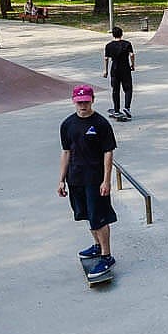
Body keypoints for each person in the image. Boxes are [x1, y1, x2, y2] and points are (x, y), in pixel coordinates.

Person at [58, 84, 118, 279]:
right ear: (73, 101)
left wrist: (106, 180)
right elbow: (66, 152)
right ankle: (97, 245)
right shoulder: (67, 125)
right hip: (75, 178)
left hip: (95, 179)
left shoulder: (101, 124)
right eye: (79, 102)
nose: (82, 106)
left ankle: (106, 255)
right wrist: (61, 180)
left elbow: (108, 152)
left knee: (99, 217)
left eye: (86, 102)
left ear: (92, 100)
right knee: (86, 215)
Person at [103, 26, 135, 119]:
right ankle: (127, 108)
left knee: (115, 90)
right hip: (125, 68)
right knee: (128, 89)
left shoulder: (109, 45)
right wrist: (132, 65)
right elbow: (132, 55)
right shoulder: (127, 44)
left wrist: (105, 70)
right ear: (122, 34)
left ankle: (116, 110)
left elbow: (106, 58)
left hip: (115, 68)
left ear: (113, 35)